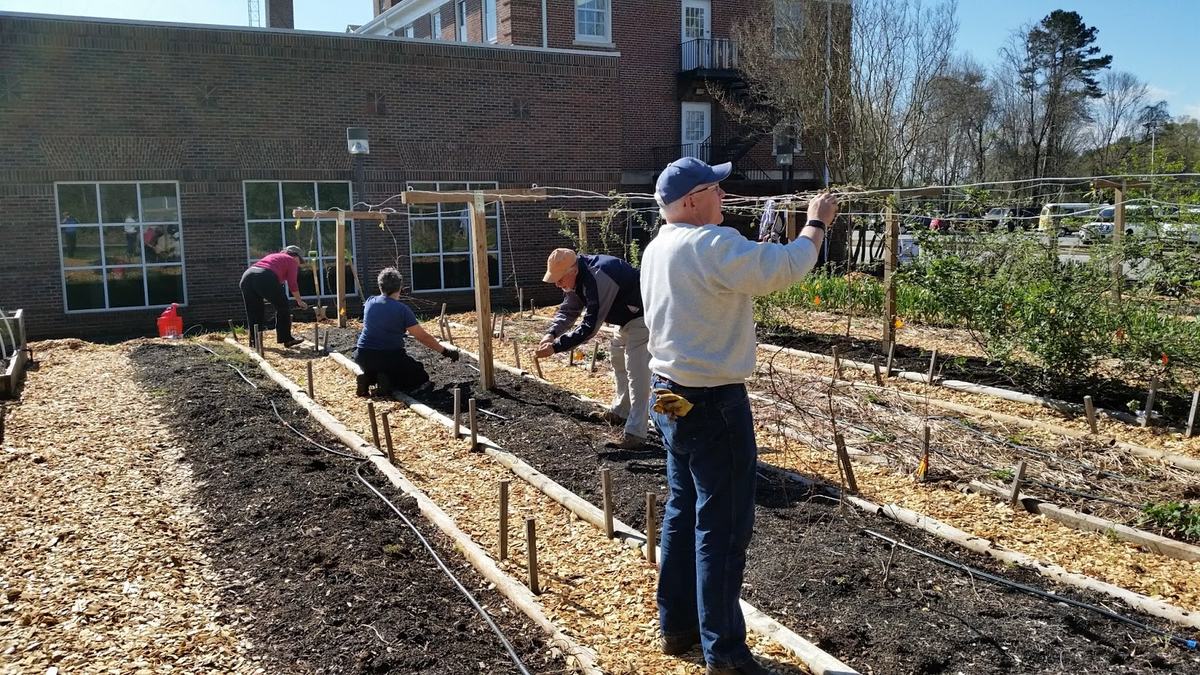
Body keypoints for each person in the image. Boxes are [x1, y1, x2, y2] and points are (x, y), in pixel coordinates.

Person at [642, 156, 838, 675]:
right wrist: (816, 222)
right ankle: (725, 654)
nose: (724, 196)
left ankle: (677, 627)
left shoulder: (657, 249)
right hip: (712, 402)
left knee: (683, 513)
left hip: (668, 395)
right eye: (716, 188)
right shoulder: (711, 244)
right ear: (690, 200)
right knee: (723, 528)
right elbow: (786, 267)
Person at [536, 248, 650, 449]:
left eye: (560, 279)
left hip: (642, 315)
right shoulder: (576, 278)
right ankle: (620, 412)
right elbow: (569, 309)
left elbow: (589, 327)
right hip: (624, 319)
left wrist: (556, 347)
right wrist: (551, 333)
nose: (558, 284)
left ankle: (636, 434)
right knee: (618, 361)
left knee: (637, 372)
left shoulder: (599, 276)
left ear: (573, 270)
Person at [355, 267, 460, 397]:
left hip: (363, 355)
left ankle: (370, 378)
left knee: (382, 368)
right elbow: (422, 337)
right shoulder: (402, 310)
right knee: (419, 375)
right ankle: (387, 382)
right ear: (400, 287)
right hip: (388, 356)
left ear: (380, 286)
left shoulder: (370, 301)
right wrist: (445, 351)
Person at [240, 245, 309, 348]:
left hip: (247, 276)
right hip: (264, 276)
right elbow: (293, 284)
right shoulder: (291, 261)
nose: (299, 264)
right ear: (296, 256)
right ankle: (286, 339)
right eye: (300, 261)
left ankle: (254, 342)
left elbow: (274, 279)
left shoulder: (275, 257)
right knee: (283, 306)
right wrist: (299, 301)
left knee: (254, 311)